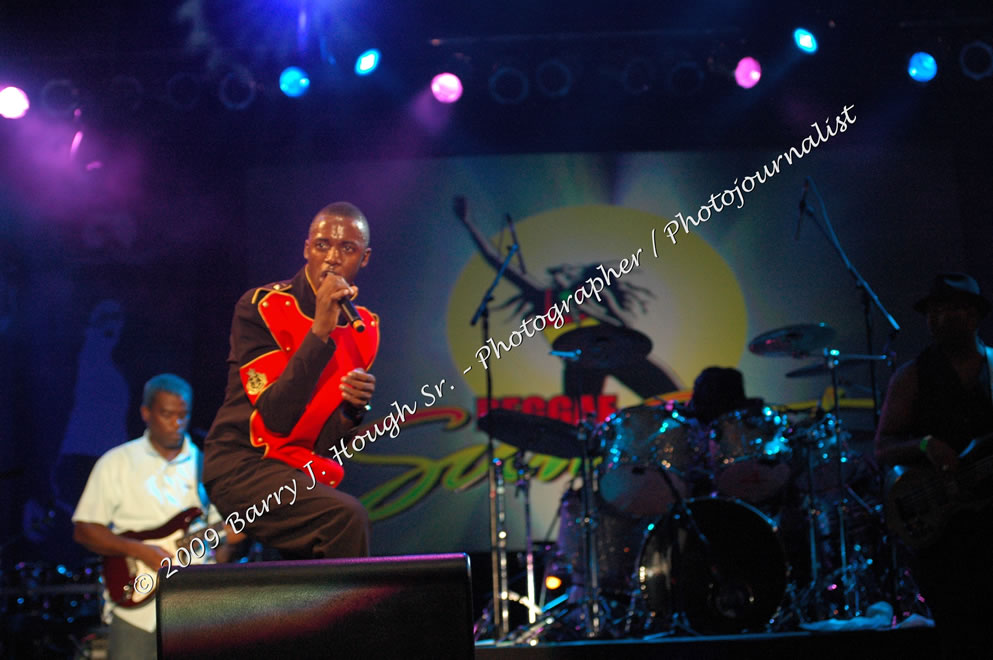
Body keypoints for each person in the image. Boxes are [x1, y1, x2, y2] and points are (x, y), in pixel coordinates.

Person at [203, 201, 376, 560]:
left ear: (364, 259)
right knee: (345, 518)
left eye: (347, 248)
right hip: (242, 464)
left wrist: (351, 412)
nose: (332, 258)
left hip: (297, 468)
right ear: (307, 249)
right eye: (323, 245)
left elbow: (323, 444)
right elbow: (276, 418)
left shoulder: (363, 330)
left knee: (323, 548)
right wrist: (321, 330)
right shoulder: (261, 306)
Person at [73, 373, 234, 659]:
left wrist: (232, 540)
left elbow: (222, 549)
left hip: (194, 609)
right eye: (167, 415)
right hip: (136, 612)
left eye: (183, 415)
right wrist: (138, 550)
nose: (177, 423)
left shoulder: (206, 465)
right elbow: (84, 529)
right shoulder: (117, 462)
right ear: (146, 413)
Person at [875, 272, 993, 658]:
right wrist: (925, 444)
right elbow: (882, 447)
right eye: (932, 311)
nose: (936, 319)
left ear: (973, 315)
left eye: (948, 309)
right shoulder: (912, 376)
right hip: (943, 533)